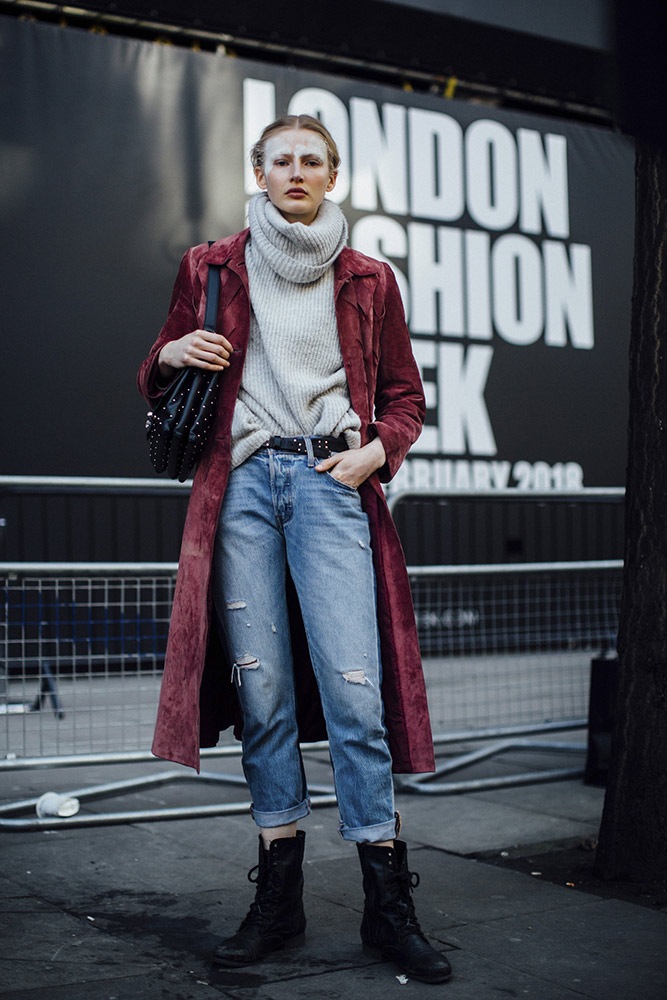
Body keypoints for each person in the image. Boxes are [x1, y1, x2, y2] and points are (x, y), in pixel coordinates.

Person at [138, 114, 451, 985]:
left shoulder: (367, 278)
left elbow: (404, 399)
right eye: (282, 161)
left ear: (332, 174)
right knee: (264, 694)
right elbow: (156, 370)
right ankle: (278, 899)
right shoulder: (211, 266)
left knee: (356, 697)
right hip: (239, 486)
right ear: (260, 171)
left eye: (312, 160)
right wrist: (168, 353)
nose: (297, 172)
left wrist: (373, 452)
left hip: (327, 484)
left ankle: (389, 907)